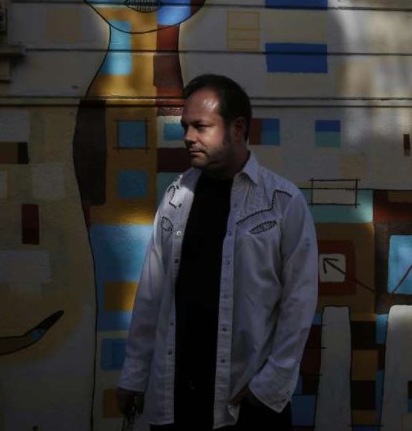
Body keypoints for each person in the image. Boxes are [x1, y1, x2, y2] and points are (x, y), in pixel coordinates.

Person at [116, 74, 318, 430]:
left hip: (245, 400)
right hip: (176, 395)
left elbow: (299, 301)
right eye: (185, 127)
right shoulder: (175, 198)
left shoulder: (282, 202)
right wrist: (135, 374)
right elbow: (151, 293)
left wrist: (270, 384)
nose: (188, 137)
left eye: (201, 126)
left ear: (237, 128)